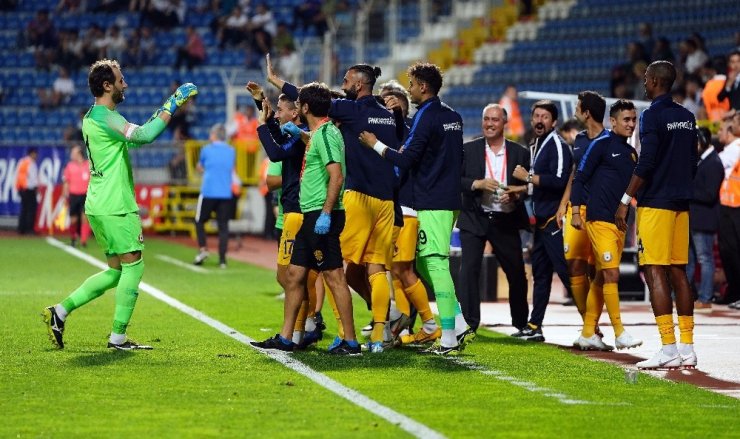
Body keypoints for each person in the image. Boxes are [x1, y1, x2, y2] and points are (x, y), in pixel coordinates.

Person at [42, 59, 197, 350]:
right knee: (134, 267)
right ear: (107, 85)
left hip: (98, 203)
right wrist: (173, 103)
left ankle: (60, 312)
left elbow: (135, 138)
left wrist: (156, 115)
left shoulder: (93, 116)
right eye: (120, 79)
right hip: (116, 204)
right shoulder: (106, 116)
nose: (125, 84)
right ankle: (117, 337)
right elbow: (145, 136)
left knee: (116, 271)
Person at [269, 58, 401, 353]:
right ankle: (380, 331)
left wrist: (278, 82)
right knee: (372, 268)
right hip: (387, 198)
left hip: (353, 196)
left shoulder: (345, 116)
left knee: (333, 273)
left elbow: (320, 99)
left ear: (358, 84)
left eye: (346, 80)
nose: (342, 85)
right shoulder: (389, 115)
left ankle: (346, 336)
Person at [360, 62, 474, 356]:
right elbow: (455, 158)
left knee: (435, 264)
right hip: (447, 199)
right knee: (424, 262)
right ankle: (458, 322)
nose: (409, 89)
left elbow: (406, 159)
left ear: (423, 86)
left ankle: (448, 336)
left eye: (411, 84)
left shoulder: (426, 116)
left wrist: (375, 145)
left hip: (433, 201)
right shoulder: (453, 116)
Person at [250, 82, 360, 355]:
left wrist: (325, 213)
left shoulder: (325, 134)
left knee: (334, 277)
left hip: (321, 216)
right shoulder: (317, 134)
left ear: (307, 107)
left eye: (299, 103)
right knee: (295, 275)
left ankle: (351, 341)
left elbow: (337, 176)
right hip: (308, 214)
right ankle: (287, 337)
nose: (296, 108)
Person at [615, 60, 698, 370]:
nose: (644, 85)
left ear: (654, 81)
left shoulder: (652, 116)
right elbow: (693, 160)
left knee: (653, 271)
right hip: (681, 203)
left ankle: (668, 347)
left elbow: (646, 162)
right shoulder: (687, 117)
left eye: (647, 80)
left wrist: (625, 198)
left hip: (657, 204)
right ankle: (687, 347)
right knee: (678, 272)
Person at [570, 99, 643, 351]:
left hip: (619, 223)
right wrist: (576, 211)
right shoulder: (600, 145)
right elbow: (580, 178)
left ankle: (588, 333)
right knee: (612, 273)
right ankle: (620, 332)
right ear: (613, 121)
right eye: (626, 119)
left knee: (602, 277)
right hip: (599, 218)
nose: (631, 124)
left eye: (634, 119)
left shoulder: (632, 153)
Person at [458, 103, 530, 334]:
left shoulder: (520, 152)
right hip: (474, 217)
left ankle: (520, 324)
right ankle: (470, 323)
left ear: (504, 123)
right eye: (486, 119)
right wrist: (477, 184)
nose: (489, 124)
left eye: (495, 120)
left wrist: (515, 197)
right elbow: (455, 180)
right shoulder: (468, 150)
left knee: (516, 273)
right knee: (469, 271)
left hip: (505, 220)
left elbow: (525, 188)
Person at [512, 100, 573, 342]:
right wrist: (519, 188)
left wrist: (527, 176)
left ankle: (593, 323)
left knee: (567, 274)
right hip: (541, 223)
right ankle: (535, 324)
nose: (539, 120)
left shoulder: (556, 144)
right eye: (536, 115)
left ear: (554, 121)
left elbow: (559, 181)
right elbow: (538, 183)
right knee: (541, 274)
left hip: (554, 221)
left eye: (545, 117)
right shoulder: (538, 144)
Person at [556, 91, 608, 341]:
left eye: (578, 107)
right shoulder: (579, 139)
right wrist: (564, 205)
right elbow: (575, 174)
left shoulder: (611, 141)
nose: (575, 110)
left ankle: (590, 327)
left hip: (601, 213)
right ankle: (591, 328)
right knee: (574, 266)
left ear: (587, 112)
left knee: (599, 270)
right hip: (576, 211)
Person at [687, 127, 724, 312]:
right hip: (695, 219)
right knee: (691, 260)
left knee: (705, 259)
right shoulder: (703, 160)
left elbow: (709, 194)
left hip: (704, 220)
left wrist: (687, 191)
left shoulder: (714, 163)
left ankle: (705, 297)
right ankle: (684, 296)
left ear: (702, 140)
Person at [193, 123, 235, 269]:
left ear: (214, 135)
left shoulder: (206, 149)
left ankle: (203, 249)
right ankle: (222, 260)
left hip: (209, 191)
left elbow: (200, 166)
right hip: (225, 193)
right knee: (223, 227)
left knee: (199, 221)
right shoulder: (231, 151)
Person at [719, 113, 740, 309]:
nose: (731, 127)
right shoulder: (730, 150)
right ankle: (734, 292)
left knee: (735, 252)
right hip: (728, 204)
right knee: (728, 252)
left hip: (737, 206)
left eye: (733, 124)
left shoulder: (736, 149)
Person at [62, 143, 90, 247]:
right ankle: (73, 238)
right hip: (73, 196)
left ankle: (83, 241)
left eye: (73, 152)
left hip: (85, 196)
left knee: (84, 218)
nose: (71, 154)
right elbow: (66, 182)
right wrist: (65, 195)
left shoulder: (88, 165)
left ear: (79, 153)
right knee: (73, 219)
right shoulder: (69, 166)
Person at [15, 147, 39, 235]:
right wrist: (37, 188)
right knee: (31, 210)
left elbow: (16, 174)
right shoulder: (31, 163)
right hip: (29, 189)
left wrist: (18, 187)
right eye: (35, 153)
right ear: (32, 153)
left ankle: (21, 229)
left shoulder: (22, 162)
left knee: (24, 209)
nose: (36, 155)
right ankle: (29, 229)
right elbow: (33, 178)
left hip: (22, 188)